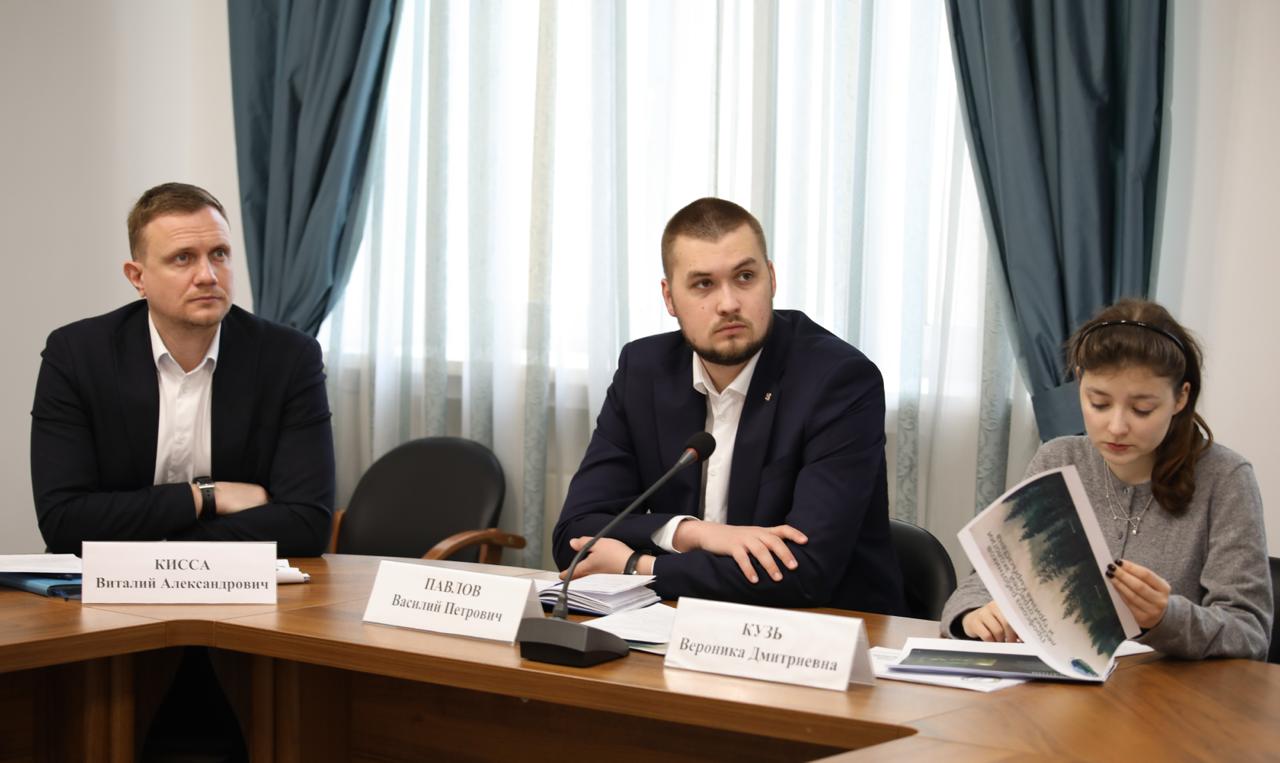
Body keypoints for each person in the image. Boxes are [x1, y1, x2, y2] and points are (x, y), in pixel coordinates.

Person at [551, 197, 905, 615]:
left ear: (771, 279)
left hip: (825, 628)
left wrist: (639, 566)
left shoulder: (838, 380)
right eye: (703, 284)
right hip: (676, 625)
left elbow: (805, 571)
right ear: (669, 297)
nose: (729, 304)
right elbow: (576, 536)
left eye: (745, 277)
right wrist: (693, 533)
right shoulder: (644, 371)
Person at [940, 299, 1272, 660]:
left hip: (1169, 692)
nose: (1116, 427)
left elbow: (1249, 633)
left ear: (1181, 397)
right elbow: (988, 579)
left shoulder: (1225, 478)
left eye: (1142, 409)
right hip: (1057, 685)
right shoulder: (1058, 459)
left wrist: (1166, 617)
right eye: (1098, 403)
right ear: (1080, 381)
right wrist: (974, 615)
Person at [30, 182, 335, 557]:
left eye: (219, 254)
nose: (208, 275)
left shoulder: (289, 358)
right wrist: (207, 496)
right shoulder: (77, 355)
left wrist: (160, 543)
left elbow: (306, 524)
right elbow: (64, 521)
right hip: (101, 585)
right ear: (137, 277)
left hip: (237, 583)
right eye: (183, 258)